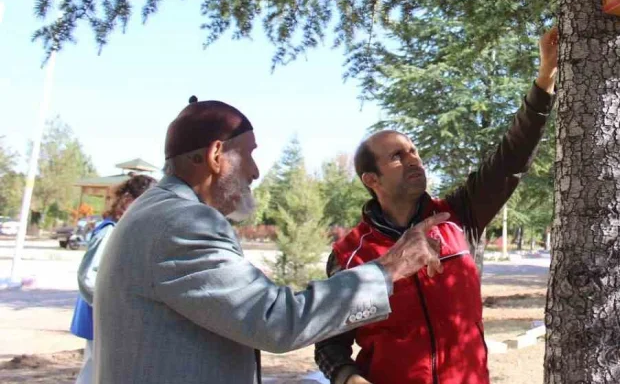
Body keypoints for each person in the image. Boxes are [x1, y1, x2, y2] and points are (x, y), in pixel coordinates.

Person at [94, 97, 447, 384]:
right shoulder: (182, 222)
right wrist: (388, 268)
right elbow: (275, 319)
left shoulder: (156, 211)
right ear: (217, 155)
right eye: (249, 154)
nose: (256, 171)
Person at [315, 27, 559, 384]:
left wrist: (545, 80)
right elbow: (329, 345)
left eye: (413, 151)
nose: (414, 160)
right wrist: (348, 378)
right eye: (397, 156)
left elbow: (511, 158)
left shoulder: (459, 216)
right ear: (372, 180)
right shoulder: (351, 255)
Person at [69, 173, 156, 384]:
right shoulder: (109, 232)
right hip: (100, 317)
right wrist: (111, 305)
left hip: (104, 316)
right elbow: (87, 277)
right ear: (127, 201)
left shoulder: (122, 231)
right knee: (95, 371)